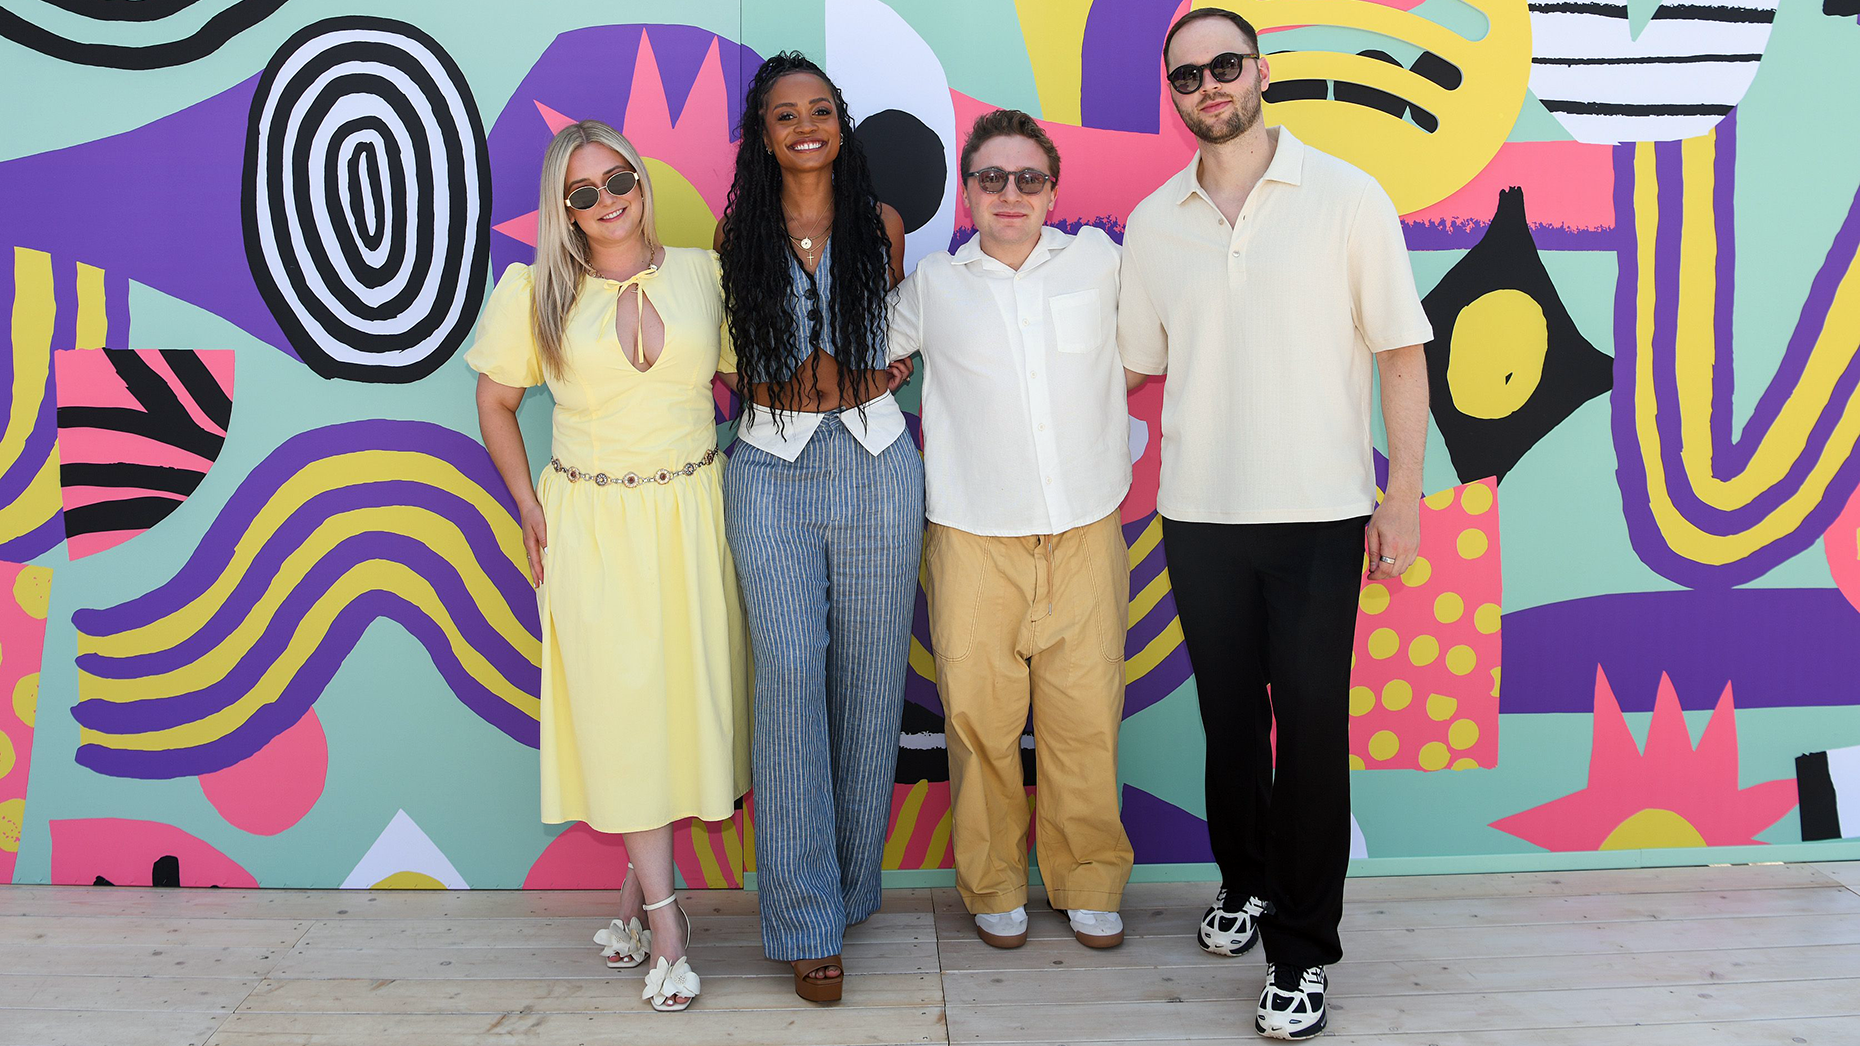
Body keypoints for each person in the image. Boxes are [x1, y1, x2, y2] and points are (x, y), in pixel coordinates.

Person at [1117, 8, 1432, 1040]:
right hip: (1198, 515)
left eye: (1225, 65)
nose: (1208, 84)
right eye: (1187, 74)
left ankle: (1302, 951)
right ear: (1173, 95)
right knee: (1228, 727)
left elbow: (1399, 353)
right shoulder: (1154, 219)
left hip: (1321, 517)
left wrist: (1404, 497)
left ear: (1260, 71)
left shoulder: (1346, 197)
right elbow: (1133, 365)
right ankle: (1244, 881)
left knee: (1310, 731)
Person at [468, 120, 751, 1014]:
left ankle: (633, 900)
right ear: (564, 210)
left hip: (693, 512)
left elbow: (764, 378)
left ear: (639, 176)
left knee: (677, 705)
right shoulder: (534, 292)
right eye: (581, 192)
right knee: (623, 716)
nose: (606, 200)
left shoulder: (706, 275)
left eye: (615, 178)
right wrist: (527, 506)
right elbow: (496, 401)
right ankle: (669, 924)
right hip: (589, 521)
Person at [888, 109, 1134, 952]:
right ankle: (992, 885)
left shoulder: (1101, 263)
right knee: (980, 725)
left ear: (1052, 189)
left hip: (1086, 530)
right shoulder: (932, 285)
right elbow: (866, 355)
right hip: (969, 537)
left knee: (1086, 716)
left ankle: (1091, 879)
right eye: (991, 178)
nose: (1011, 194)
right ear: (968, 190)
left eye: (1028, 178)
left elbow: (1144, 350)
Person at [712, 52, 920, 1003]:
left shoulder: (881, 226)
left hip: (876, 466)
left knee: (873, 678)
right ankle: (804, 920)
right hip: (769, 468)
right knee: (791, 672)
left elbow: (890, 345)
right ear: (763, 134)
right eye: (786, 114)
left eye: (822, 111)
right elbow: (732, 367)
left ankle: (848, 892)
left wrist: (871, 381)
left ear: (842, 125)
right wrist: (780, 387)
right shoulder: (735, 235)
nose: (806, 125)